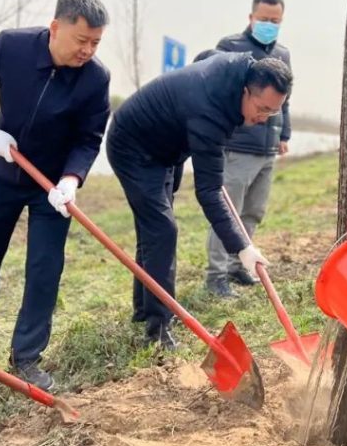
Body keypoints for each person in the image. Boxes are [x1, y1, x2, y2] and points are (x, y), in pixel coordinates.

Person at [0, 0, 111, 392]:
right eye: (81, 40)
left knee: (44, 268)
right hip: (4, 171)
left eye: (96, 43)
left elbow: (89, 139)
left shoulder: (95, 79)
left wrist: (71, 180)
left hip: (51, 188)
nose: (87, 50)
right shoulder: (12, 47)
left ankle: (27, 356)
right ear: (56, 28)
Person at [107, 53, 292, 348]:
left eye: (273, 113)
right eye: (261, 109)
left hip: (167, 146)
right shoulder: (211, 110)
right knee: (162, 230)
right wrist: (242, 248)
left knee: (155, 231)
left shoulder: (240, 70)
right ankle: (158, 328)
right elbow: (208, 191)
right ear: (245, 90)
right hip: (134, 146)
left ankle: (146, 310)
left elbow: (204, 58)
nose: (262, 119)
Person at [200, 0, 292, 298]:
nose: (269, 24)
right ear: (251, 17)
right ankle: (216, 274)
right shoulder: (232, 47)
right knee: (228, 212)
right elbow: (218, 91)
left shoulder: (282, 54)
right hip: (238, 144)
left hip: (267, 147)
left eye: (275, 20)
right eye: (264, 19)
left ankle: (238, 265)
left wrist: (284, 134)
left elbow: (285, 101)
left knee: (253, 211)